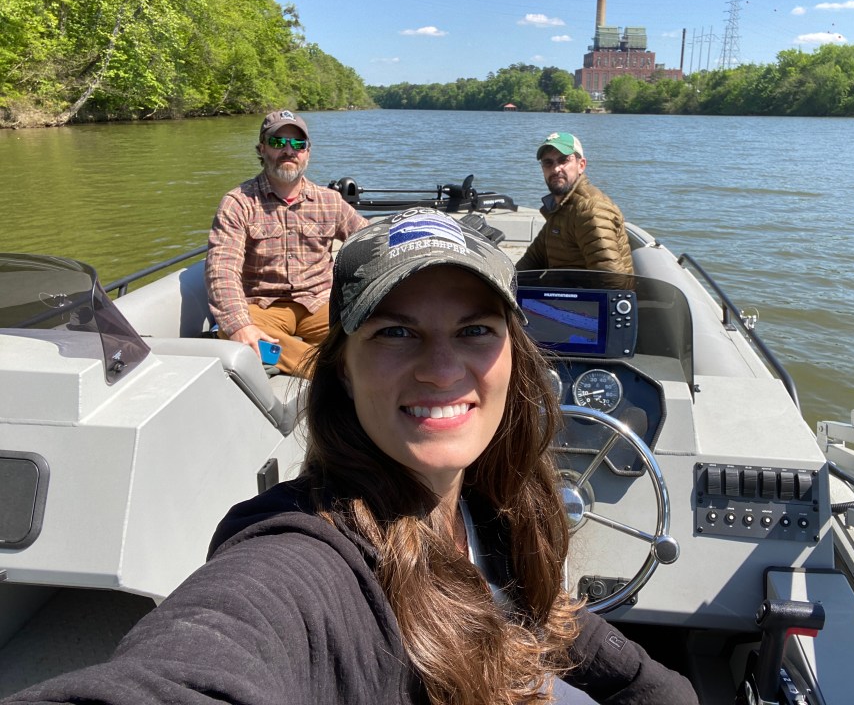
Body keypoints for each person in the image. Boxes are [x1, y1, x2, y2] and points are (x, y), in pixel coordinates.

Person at [3, 209, 698, 705]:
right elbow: (208, 651)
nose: (442, 368)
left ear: (515, 361)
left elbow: (558, 622)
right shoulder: (304, 562)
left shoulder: (495, 505)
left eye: (475, 331)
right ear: (341, 371)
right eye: (397, 332)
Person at [205, 109, 367, 375]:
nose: (289, 150)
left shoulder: (329, 201)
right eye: (278, 142)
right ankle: (332, 371)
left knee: (370, 327)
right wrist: (240, 326)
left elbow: (368, 242)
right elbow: (221, 270)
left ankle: (321, 365)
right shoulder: (238, 203)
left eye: (298, 144)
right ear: (262, 149)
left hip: (320, 303)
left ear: (307, 152)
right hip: (262, 306)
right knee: (232, 329)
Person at [516, 132, 634, 275]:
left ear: (581, 165)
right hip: (563, 293)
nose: (555, 169)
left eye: (563, 160)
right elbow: (531, 261)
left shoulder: (590, 210)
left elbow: (612, 280)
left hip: (586, 296)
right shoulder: (560, 208)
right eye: (548, 162)